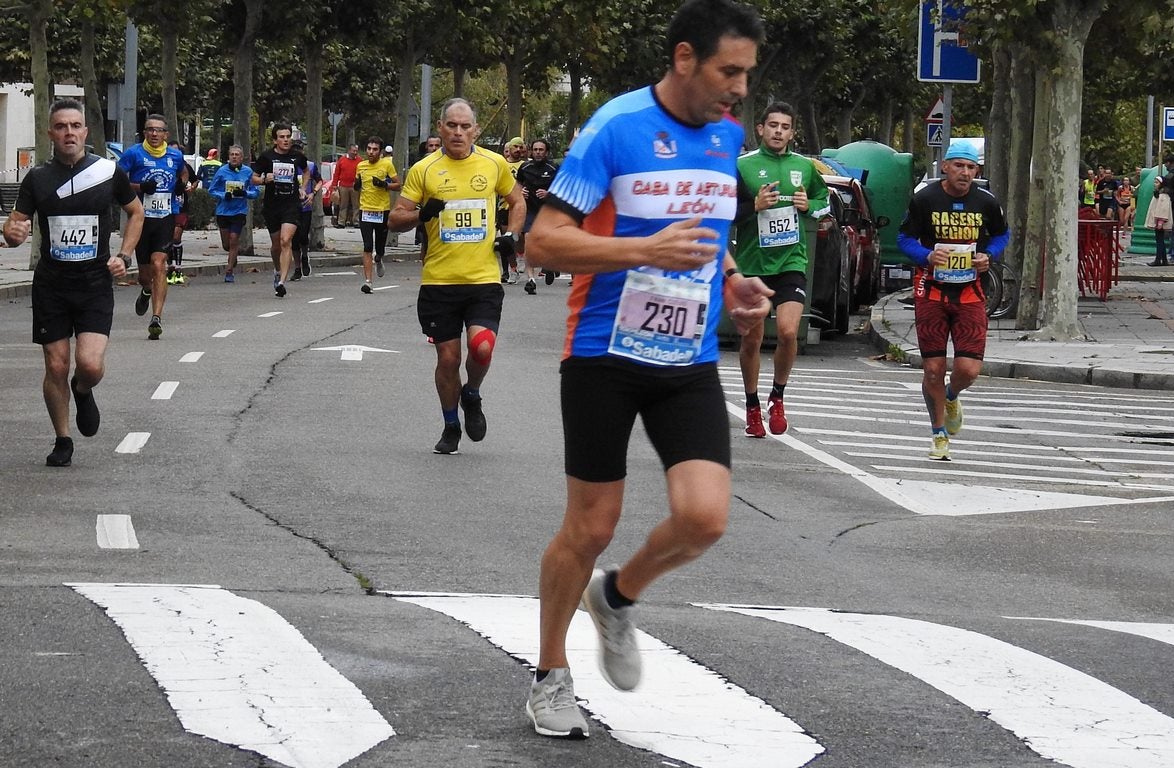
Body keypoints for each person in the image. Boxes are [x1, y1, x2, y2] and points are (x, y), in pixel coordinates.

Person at [521, 0, 769, 739]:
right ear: (686, 58)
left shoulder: (727, 137)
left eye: (749, 75)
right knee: (590, 525)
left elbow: (705, 228)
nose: (741, 90)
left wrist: (731, 280)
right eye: (731, 71)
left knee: (705, 517)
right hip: (604, 352)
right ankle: (549, 675)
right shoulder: (615, 128)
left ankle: (619, 599)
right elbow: (543, 241)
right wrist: (642, 251)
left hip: (686, 355)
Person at [2, 98, 143, 466]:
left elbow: (136, 212)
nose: (69, 132)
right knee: (56, 366)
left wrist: (124, 256)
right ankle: (62, 438)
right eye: (61, 126)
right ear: (51, 133)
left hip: (95, 281)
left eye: (75, 126)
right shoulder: (38, 178)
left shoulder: (108, 172)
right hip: (52, 283)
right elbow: (16, 226)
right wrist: (12, 233)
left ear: (85, 131)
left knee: (90, 365)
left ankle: (83, 390)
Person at [388, 98, 524, 455]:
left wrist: (512, 233)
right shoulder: (425, 170)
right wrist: (421, 214)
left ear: (476, 130)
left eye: (465, 127)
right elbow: (395, 219)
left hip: (483, 279)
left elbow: (517, 200)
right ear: (440, 128)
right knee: (448, 360)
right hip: (439, 281)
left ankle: (472, 394)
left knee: (481, 347)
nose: (458, 132)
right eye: (452, 126)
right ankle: (451, 425)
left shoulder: (494, 164)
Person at [897, 141, 1009, 461]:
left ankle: (951, 396)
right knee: (933, 367)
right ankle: (938, 434)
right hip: (931, 290)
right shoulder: (925, 199)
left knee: (968, 369)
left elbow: (1002, 234)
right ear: (944, 167)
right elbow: (903, 238)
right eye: (958, 165)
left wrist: (990, 256)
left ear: (977, 171)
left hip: (970, 292)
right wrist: (927, 255)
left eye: (971, 167)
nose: (964, 173)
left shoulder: (985, 202)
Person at [732, 101, 830, 437]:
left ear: (792, 132)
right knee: (752, 340)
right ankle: (752, 406)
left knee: (788, 332)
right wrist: (753, 206)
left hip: (791, 260)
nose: (778, 131)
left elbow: (823, 201)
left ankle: (778, 396)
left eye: (785, 127)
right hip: (752, 264)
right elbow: (726, 210)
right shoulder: (743, 166)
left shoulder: (804, 166)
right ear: (760, 129)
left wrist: (809, 205)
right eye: (772, 125)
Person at [117, 114, 185, 339]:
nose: (154, 134)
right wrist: (139, 186)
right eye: (150, 130)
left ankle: (156, 318)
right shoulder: (134, 154)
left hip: (165, 218)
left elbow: (183, 172)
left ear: (166, 134)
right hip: (141, 220)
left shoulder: (175, 155)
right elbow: (116, 179)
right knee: (145, 275)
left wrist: (180, 185)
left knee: (159, 264)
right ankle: (146, 290)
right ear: (144, 133)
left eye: (159, 130)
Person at [251, 123, 309, 297]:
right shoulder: (266, 157)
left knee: (286, 240)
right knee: (276, 245)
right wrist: (263, 180)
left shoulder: (297, 156)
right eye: (282, 137)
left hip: (291, 204)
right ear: (275, 140)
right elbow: (253, 178)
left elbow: (307, 171)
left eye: (288, 136)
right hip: (272, 205)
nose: (285, 140)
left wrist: (303, 187)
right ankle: (277, 270)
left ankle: (282, 282)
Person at [354, 136, 400, 293]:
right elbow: (357, 185)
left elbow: (398, 185)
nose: (371, 152)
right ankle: (368, 282)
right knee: (367, 246)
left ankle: (379, 258)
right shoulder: (361, 166)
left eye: (374, 149)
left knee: (379, 247)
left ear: (380, 152)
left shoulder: (387, 164)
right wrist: (357, 184)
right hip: (365, 209)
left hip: (382, 210)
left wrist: (384, 184)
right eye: (369, 149)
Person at [207, 144, 260, 283]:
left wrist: (245, 193)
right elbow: (211, 190)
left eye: (237, 155)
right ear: (228, 157)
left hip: (239, 211)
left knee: (233, 239)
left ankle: (229, 271)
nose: (234, 157)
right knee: (227, 244)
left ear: (242, 157)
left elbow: (256, 192)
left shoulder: (248, 172)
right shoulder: (221, 171)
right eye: (232, 154)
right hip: (223, 211)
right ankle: (233, 255)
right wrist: (224, 195)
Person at [515, 138, 559, 294]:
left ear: (546, 152)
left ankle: (550, 265)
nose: (538, 153)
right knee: (528, 241)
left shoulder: (553, 168)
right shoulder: (524, 167)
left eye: (541, 150)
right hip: (530, 210)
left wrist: (548, 194)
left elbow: (562, 190)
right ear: (531, 151)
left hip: (548, 210)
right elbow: (517, 186)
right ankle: (531, 279)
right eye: (535, 150)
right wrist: (520, 193)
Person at [165, 139, 197, 286]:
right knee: (168, 238)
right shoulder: (164, 164)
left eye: (175, 151)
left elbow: (195, 180)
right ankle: (170, 267)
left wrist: (192, 188)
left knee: (176, 236)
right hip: (165, 206)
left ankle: (178, 268)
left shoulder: (185, 167)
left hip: (181, 206)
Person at [291, 140, 322, 280]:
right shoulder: (287, 166)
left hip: (305, 207)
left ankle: (305, 256)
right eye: (294, 150)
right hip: (290, 207)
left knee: (303, 235)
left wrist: (313, 193)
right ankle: (297, 268)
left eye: (299, 150)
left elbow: (320, 181)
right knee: (293, 239)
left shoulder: (309, 166)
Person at [498, 136, 527, 284]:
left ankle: (521, 255)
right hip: (503, 206)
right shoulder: (502, 165)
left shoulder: (525, 165)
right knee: (506, 240)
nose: (517, 150)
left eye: (520, 147)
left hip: (519, 206)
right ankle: (513, 269)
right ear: (508, 150)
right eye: (514, 147)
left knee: (519, 236)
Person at [414, 135, 441, 256]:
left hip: (446, 212)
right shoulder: (420, 166)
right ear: (426, 147)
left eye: (437, 145)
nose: (434, 148)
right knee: (426, 244)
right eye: (431, 146)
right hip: (427, 212)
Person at [1145, 170, 1172, 267]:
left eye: (1156, 182)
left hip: (1160, 222)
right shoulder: (1159, 193)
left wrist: (1160, 221)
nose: (1154, 184)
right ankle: (1164, 260)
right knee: (1160, 240)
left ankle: (1158, 259)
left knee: (1159, 241)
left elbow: (1163, 209)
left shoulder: (1163, 195)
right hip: (1158, 221)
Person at [333, 144, 361, 228]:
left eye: (356, 151)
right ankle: (341, 222)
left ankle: (356, 222)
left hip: (354, 186)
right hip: (343, 186)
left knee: (356, 205)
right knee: (343, 205)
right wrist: (334, 185)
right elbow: (336, 173)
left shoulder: (360, 160)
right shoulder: (342, 160)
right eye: (353, 151)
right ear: (349, 150)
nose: (355, 152)